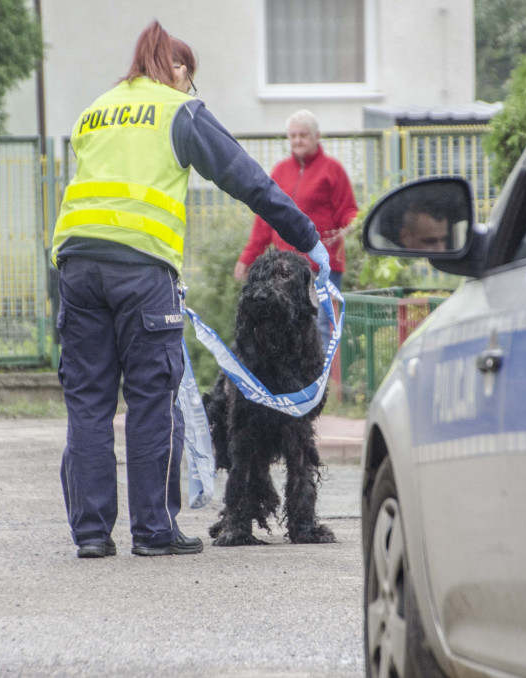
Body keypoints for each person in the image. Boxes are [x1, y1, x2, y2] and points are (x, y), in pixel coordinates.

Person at [51, 21, 330, 559]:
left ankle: (90, 533)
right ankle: (153, 532)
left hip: (77, 268)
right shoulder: (177, 111)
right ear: (174, 70)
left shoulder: (95, 110)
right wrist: (307, 238)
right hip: (141, 271)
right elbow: (249, 179)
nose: (189, 88)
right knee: (152, 400)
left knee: (88, 403)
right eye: (189, 78)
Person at [233, 109, 359, 349]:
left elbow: (350, 212)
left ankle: (319, 386)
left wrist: (348, 229)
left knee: (321, 328)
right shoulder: (280, 171)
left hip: (321, 269)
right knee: (285, 328)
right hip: (285, 273)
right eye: (293, 136)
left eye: (303, 135)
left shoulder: (332, 171)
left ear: (316, 136)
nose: (297, 140)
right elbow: (265, 220)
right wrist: (247, 257)